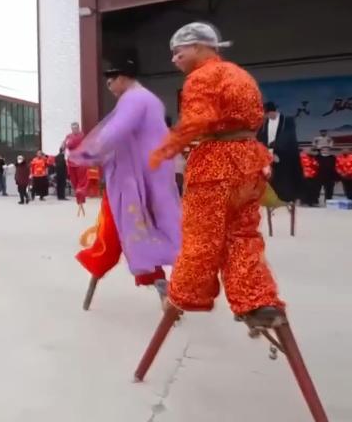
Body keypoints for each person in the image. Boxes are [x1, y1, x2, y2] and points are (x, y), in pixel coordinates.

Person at [149, 21, 283, 326]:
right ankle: (257, 299)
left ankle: (187, 293)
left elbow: (197, 120)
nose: (174, 59)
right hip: (249, 163)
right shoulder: (241, 75)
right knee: (243, 234)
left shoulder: (201, 77)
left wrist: (161, 152)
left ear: (199, 47)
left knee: (201, 233)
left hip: (216, 164)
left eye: (178, 52)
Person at [71, 57, 181, 295]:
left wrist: (85, 154)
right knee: (149, 226)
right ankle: (158, 279)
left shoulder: (133, 99)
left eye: (111, 80)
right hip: (153, 177)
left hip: (133, 179)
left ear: (122, 78)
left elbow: (114, 132)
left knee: (120, 229)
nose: (109, 86)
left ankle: (156, 280)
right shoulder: (151, 100)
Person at [257, 101, 303, 204]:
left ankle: (286, 198)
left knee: (284, 178)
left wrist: (277, 151)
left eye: (267, 114)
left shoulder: (288, 121)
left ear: (273, 111)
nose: (266, 116)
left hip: (283, 155)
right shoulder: (264, 123)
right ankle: (270, 199)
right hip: (267, 155)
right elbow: (260, 138)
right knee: (268, 177)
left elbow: (289, 138)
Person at [62, 122, 88, 206]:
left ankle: (81, 198)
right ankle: (79, 198)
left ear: (78, 128)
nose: (74, 130)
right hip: (71, 162)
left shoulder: (82, 136)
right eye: (73, 128)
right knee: (74, 181)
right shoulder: (68, 136)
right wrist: (63, 145)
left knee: (82, 182)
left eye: (76, 128)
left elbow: (72, 144)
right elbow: (64, 145)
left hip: (81, 162)